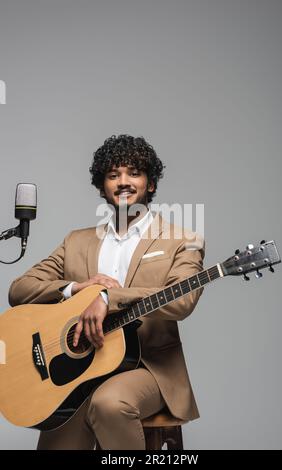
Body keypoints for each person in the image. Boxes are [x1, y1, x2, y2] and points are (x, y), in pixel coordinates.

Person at [9, 134, 205, 450]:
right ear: (102, 186)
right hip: (80, 371)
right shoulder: (76, 241)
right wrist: (76, 288)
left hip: (148, 368)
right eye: (113, 175)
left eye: (134, 173)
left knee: (109, 403)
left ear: (150, 184)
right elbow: (19, 290)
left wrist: (106, 297)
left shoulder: (182, 239)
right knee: (62, 422)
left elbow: (182, 301)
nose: (123, 182)